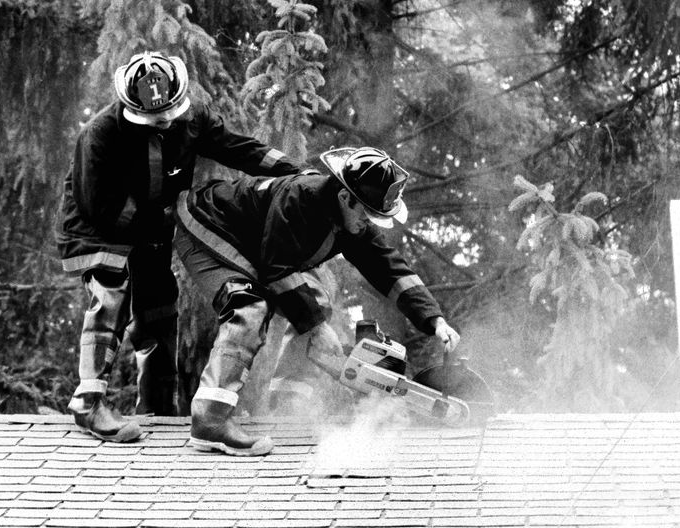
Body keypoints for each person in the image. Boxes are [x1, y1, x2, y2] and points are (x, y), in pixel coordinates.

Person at [55, 51, 302, 443]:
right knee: (111, 292)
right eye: (154, 119)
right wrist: (155, 221)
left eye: (168, 115)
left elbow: (236, 147)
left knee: (159, 305)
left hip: (152, 223)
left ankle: (154, 408)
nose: (164, 123)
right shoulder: (100, 133)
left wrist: (290, 169)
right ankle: (88, 404)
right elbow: (96, 204)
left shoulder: (193, 118)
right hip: (98, 227)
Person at [174, 146, 461, 456]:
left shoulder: (351, 218)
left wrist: (434, 320)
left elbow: (389, 268)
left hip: (257, 249)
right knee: (249, 306)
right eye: (369, 215)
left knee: (316, 303)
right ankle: (209, 420)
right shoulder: (300, 198)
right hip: (207, 225)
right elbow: (276, 269)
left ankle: (287, 406)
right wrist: (316, 327)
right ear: (345, 197)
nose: (371, 223)